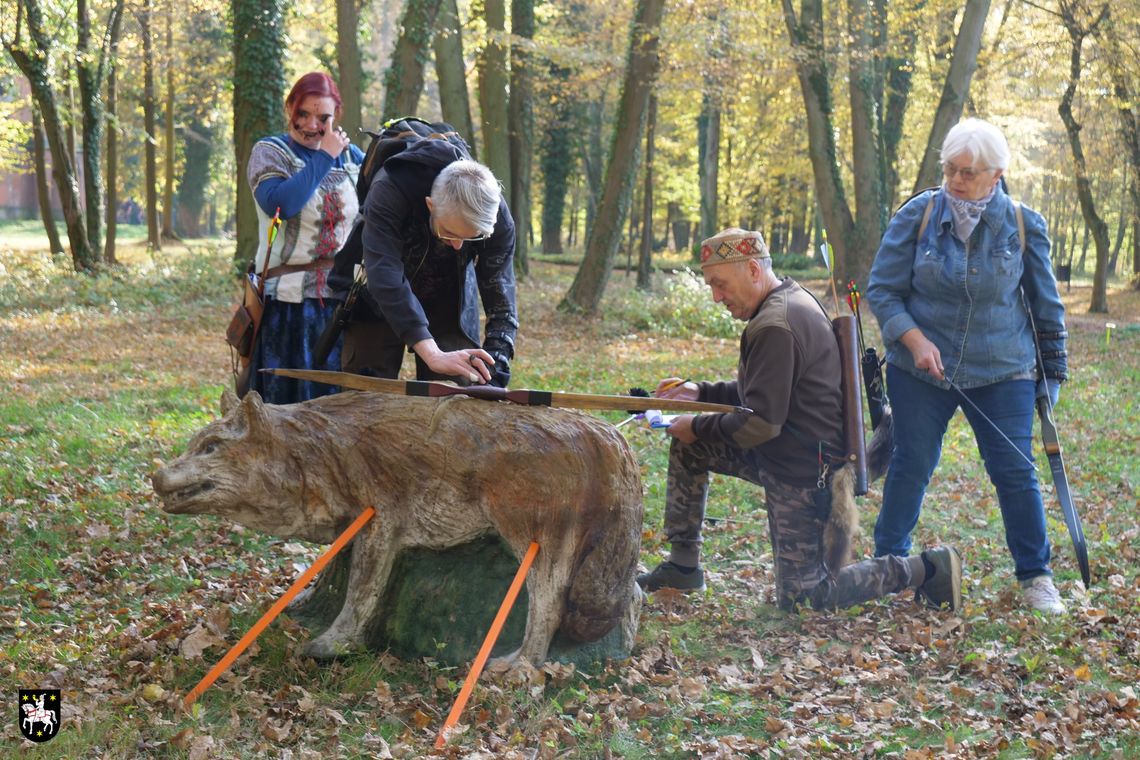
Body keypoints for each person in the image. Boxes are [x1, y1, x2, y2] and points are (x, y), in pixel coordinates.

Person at [637, 227, 962, 613]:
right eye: (711, 285)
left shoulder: (776, 323)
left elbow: (760, 422)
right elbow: (766, 392)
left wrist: (696, 424)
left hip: (807, 475)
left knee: (807, 596)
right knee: (693, 446)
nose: (716, 297)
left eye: (721, 284)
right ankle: (683, 565)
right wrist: (702, 393)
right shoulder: (789, 297)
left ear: (754, 270)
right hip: (781, 451)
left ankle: (927, 568)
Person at [866, 118, 1069, 614]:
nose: (956, 180)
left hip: (1004, 369)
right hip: (921, 373)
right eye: (950, 169)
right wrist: (914, 341)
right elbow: (883, 292)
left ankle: (1036, 577)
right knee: (910, 465)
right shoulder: (916, 216)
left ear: (995, 175)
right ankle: (886, 566)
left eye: (968, 172)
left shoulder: (1024, 225)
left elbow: (1047, 309)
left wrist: (1052, 378)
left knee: (1015, 472)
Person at [341, 136, 517, 386]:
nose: (458, 246)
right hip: (379, 297)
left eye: (470, 239)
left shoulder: (495, 214)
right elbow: (384, 274)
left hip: (449, 296)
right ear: (430, 206)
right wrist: (431, 353)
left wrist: (496, 365)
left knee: (459, 391)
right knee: (367, 392)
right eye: (450, 234)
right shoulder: (389, 190)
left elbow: (500, 289)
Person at [245, 71, 364, 404]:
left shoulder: (354, 158)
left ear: (336, 116)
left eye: (323, 117)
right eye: (303, 114)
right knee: (286, 409)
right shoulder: (271, 152)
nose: (312, 125)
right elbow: (280, 204)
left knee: (336, 410)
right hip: (286, 308)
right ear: (289, 109)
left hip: (341, 306)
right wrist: (325, 157)